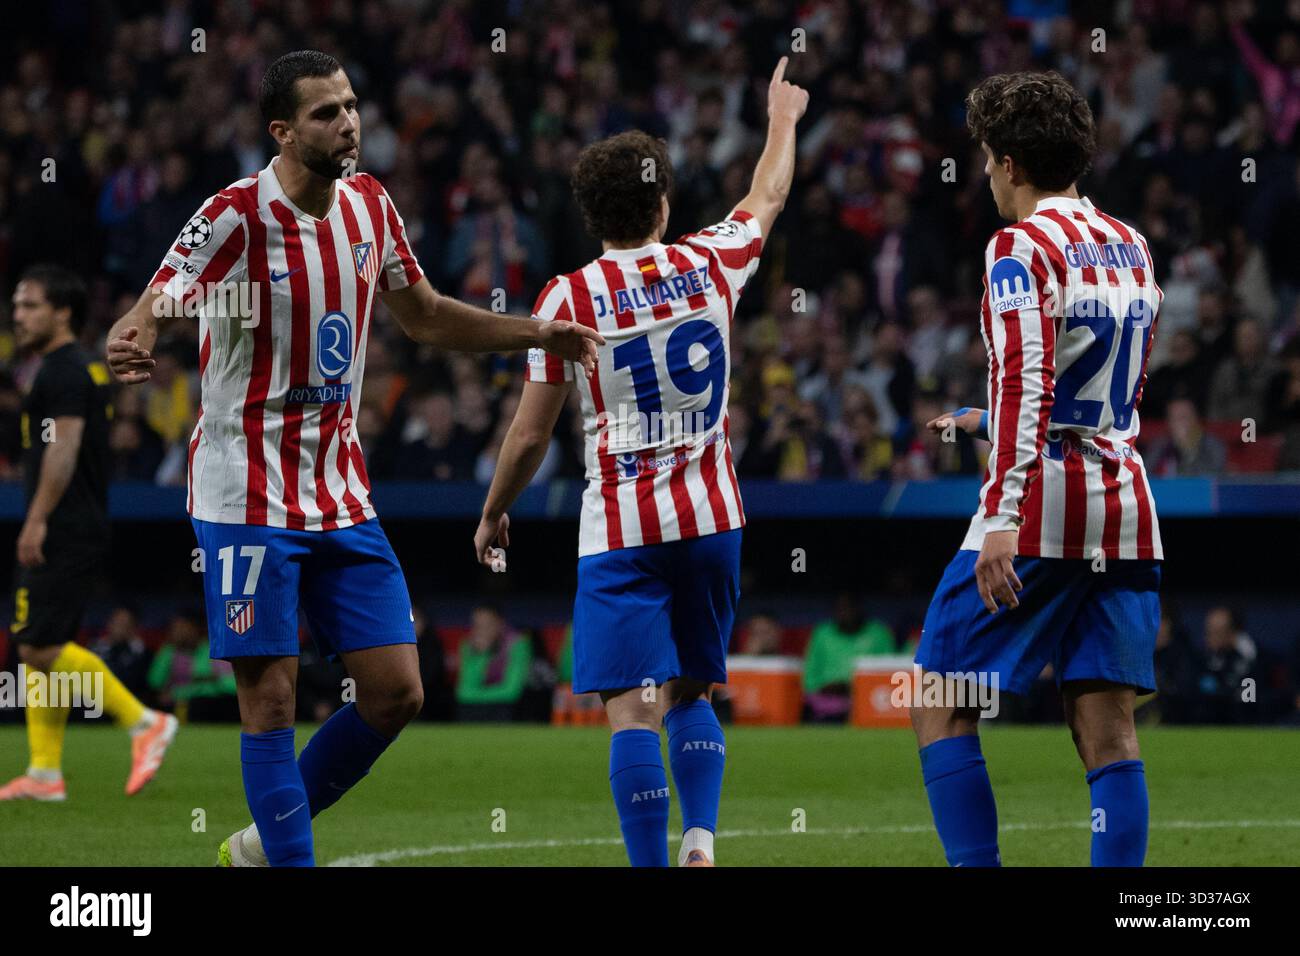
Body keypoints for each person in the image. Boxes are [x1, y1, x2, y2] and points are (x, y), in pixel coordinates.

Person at [103, 50, 601, 867]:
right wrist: (136, 337)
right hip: (247, 492)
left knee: (397, 690)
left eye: (350, 105)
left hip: (339, 490)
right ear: (283, 132)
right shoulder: (234, 214)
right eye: (326, 113)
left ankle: (263, 848)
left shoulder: (371, 206)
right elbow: (158, 298)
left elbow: (428, 316)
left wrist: (535, 331)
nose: (348, 122)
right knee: (270, 699)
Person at [473, 59, 809, 866]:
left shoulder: (567, 300)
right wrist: (782, 120)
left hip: (621, 529)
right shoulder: (709, 264)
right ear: (664, 204)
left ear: (591, 214)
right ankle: (700, 840)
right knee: (694, 686)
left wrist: (492, 512)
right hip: (713, 521)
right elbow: (767, 195)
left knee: (631, 711)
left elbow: (527, 437)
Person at [914, 71, 1164, 867]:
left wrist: (998, 518)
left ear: (1012, 163)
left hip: (1042, 507)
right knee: (1107, 726)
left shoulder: (1018, 247)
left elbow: (1029, 382)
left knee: (940, 697)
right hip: (1125, 504)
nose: (985, 174)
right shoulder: (1131, 243)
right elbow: (1110, 390)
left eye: (988, 159)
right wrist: (984, 420)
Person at [0, 265, 178, 803]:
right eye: (16, 305)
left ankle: (144, 721)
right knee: (39, 648)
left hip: (63, 525)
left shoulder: (62, 372)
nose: (18, 315)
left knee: (39, 645)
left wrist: (36, 518)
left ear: (63, 312)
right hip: (79, 521)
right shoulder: (80, 370)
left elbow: (64, 447)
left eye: (30, 305)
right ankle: (45, 772)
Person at [802, 594, 895, 724]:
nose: (846, 613)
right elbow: (809, 678)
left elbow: (889, 674)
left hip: (869, 700)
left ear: (859, 609)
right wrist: (826, 688)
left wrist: (855, 687)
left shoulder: (878, 633)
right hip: (826, 703)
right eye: (841, 608)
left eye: (850, 608)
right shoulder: (822, 633)